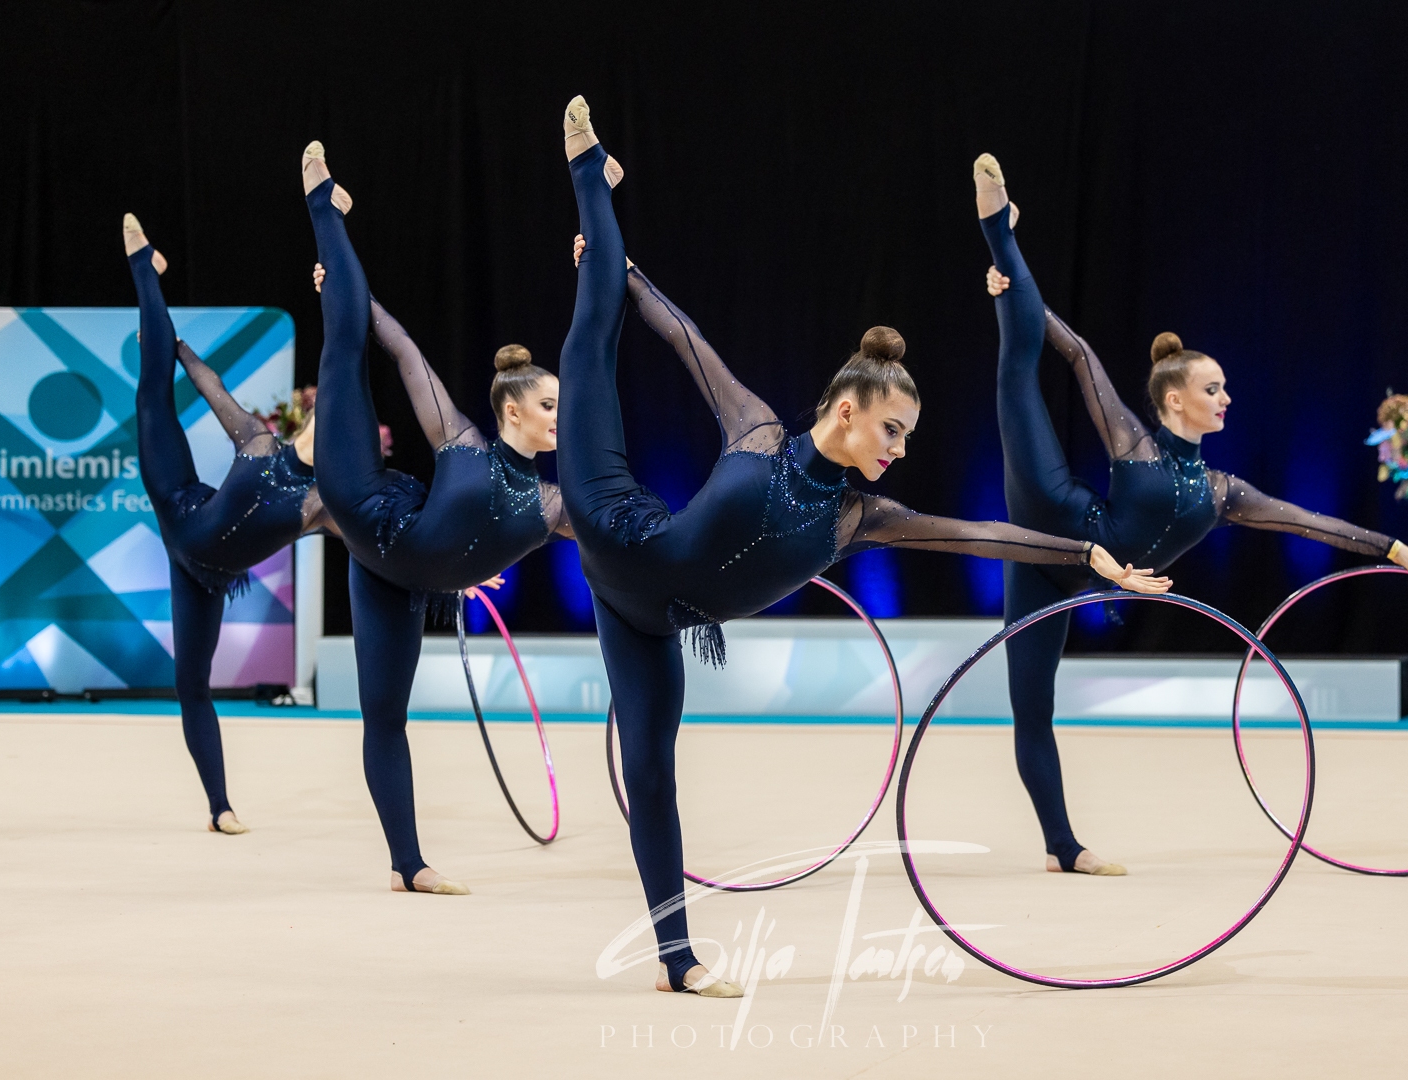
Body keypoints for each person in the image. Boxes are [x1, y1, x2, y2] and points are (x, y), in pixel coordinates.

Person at [557, 98, 1171, 997]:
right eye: (891, 429)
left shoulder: (858, 519)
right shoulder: (757, 433)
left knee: (651, 775)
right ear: (845, 411)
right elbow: (687, 341)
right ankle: (589, 178)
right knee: (594, 332)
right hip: (612, 523)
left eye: (907, 436)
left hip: (649, 620)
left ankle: (676, 962)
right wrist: (629, 276)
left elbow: (978, 535)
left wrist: (1085, 557)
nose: (899, 449)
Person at [972, 152, 1408, 878]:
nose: (1226, 398)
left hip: (1084, 576)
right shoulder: (1133, 445)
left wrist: (1394, 549)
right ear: (1174, 400)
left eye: (1224, 389)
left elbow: (1308, 522)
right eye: (1213, 389)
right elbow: (1076, 354)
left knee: (1039, 706)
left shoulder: (1223, 492)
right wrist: (1014, 289)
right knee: (1018, 371)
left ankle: (1005, 250)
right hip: (1052, 526)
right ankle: (997, 232)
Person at [301, 143, 569, 895]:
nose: (561, 416)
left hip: (397, 581)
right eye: (550, 405)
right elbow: (405, 352)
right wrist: (355, 298)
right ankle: (322, 209)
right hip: (366, 506)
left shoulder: (552, 505)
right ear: (512, 410)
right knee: (346, 347)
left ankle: (406, 866)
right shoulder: (464, 443)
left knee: (386, 717)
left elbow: (628, 542)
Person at [124, 214, 337, 836]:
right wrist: (177, 348)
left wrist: (455, 576)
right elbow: (210, 385)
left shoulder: (322, 503)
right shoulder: (260, 442)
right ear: (308, 421)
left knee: (191, 682)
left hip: (205, 574)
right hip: (180, 502)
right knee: (152, 392)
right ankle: (144, 268)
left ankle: (219, 807)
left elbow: (387, 541)